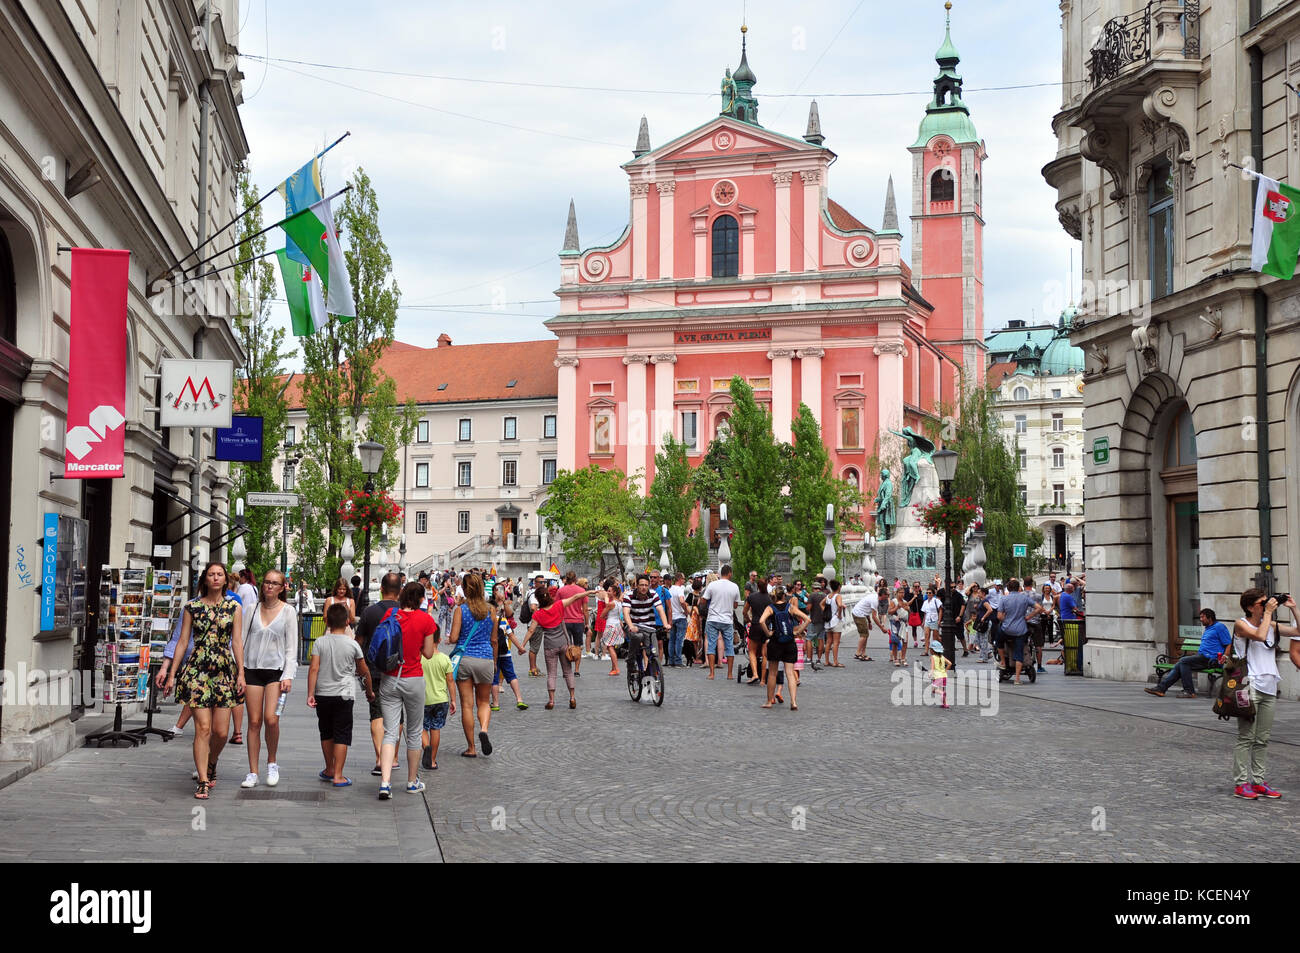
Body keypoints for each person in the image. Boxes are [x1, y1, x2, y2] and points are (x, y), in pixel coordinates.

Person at [165, 562, 245, 800]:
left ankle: (212, 762)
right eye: (212, 574)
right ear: (205, 579)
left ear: (226, 580)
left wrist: (241, 672)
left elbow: (237, 642)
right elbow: (182, 642)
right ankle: (202, 779)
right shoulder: (192, 607)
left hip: (223, 670)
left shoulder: (234, 607)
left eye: (220, 574)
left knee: (221, 732)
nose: (216, 578)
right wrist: (172, 674)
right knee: (203, 728)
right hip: (197, 671)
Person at [1229, 590, 1297, 799]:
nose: (1266, 604)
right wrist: (1268, 613)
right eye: (1261, 603)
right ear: (1250, 607)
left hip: (1269, 686)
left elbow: (1298, 631)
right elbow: (1259, 636)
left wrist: (1293, 608)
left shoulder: (1272, 625)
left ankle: (1258, 781)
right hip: (1248, 687)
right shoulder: (1241, 624)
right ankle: (1241, 783)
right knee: (1246, 737)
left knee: (1263, 738)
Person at [238, 569, 298, 789]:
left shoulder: (288, 611)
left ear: (282, 588)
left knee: (271, 718)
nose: (270, 586)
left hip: (276, 670)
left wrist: (288, 675)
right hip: (252, 668)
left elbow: (292, 646)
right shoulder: (252, 609)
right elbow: (241, 640)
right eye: (267, 583)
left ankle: (272, 762)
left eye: (275, 583)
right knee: (254, 722)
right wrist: (240, 672)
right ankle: (252, 771)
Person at [377, 581, 437, 799]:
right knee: (414, 731)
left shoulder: (390, 615)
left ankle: (385, 783)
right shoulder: (426, 620)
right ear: (421, 599)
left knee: (390, 732)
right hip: (413, 678)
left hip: (390, 678)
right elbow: (429, 654)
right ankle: (411, 781)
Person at [307, 602, 375, 787]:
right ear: (347, 622)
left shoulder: (320, 642)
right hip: (344, 694)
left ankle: (329, 768)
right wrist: (369, 691)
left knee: (326, 731)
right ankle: (338, 775)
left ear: (327, 621)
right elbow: (364, 671)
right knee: (342, 733)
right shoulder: (352, 644)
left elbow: (314, 668)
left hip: (323, 693)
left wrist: (310, 693)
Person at [355, 573, 402, 777]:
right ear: (400, 591)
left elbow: (359, 641)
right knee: (398, 714)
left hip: (373, 667)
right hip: (399, 670)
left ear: (381, 588)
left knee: (376, 713)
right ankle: (393, 758)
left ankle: (379, 758)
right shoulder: (405, 612)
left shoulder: (369, 612)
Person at [450, 572, 499, 757]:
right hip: (485, 658)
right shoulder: (491, 610)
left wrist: (451, 638)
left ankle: (471, 748)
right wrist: (494, 662)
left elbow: (454, 637)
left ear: (464, 588)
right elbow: (494, 640)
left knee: (467, 705)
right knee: (484, 702)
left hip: (465, 659)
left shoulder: (460, 610)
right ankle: (484, 730)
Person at [529, 583, 593, 710]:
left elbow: (530, 631)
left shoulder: (538, 614)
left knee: (551, 674)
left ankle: (551, 701)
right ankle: (572, 697)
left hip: (550, 646)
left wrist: (522, 646)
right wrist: (589, 592)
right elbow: (575, 597)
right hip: (563, 644)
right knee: (568, 672)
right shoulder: (558, 605)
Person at [1144, 607, 1232, 699]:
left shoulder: (1219, 627)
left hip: (1211, 659)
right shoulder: (1208, 628)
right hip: (1202, 657)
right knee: (1181, 664)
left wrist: (1225, 656)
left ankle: (1188, 691)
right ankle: (1161, 689)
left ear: (1210, 618)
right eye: (1200, 617)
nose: (1200, 619)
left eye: (1202, 617)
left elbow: (1229, 644)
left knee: (1183, 661)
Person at [758, 586, 808, 710]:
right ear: (784, 596)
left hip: (775, 642)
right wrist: (797, 632)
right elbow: (807, 619)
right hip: (789, 642)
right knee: (790, 673)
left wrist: (768, 633)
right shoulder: (790, 607)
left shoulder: (770, 608)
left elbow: (761, 621)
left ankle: (769, 701)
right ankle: (793, 702)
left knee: (773, 674)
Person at [420, 621, 456, 772]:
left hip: (423, 699)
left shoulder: (420, 658)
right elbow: (450, 680)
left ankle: (426, 746)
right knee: (436, 728)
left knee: (422, 728)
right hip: (441, 699)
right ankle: (433, 760)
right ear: (439, 640)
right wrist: (453, 699)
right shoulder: (445, 659)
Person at [997, 578, 1042, 685]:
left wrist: (1006, 619)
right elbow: (1039, 608)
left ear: (1008, 588)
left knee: (998, 640)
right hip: (1020, 629)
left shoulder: (1004, 599)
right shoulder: (1024, 598)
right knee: (1019, 652)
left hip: (1007, 629)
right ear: (1018, 588)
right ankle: (1017, 679)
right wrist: (1028, 617)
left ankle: (1003, 661)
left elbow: (999, 616)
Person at [490, 585, 528, 711]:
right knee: (511, 675)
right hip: (505, 651)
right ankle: (519, 699)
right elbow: (511, 635)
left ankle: (495, 704)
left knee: (494, 679)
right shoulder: (503, 620)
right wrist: (520, 647)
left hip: (491, 654)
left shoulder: (486, 621)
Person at [702, 565, 741, 680]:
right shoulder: (734, 587)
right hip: (727, 620)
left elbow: (704, 600)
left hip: (713, 619)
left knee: (711, 645)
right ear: (729, 573)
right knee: (729, 646)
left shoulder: (712, 585)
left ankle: (712, 673)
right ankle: (729, 674)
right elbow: (735, 605)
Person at [557, 571, 588, 677]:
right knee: (577, 646)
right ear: (575, 579)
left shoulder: (561, 591)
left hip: (565, 621)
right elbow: (585, 610)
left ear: (566, 579)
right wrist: (587, 623)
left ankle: (567, 670)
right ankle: (577, 670)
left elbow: (557, 607)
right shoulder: (582, 591)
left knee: (566, 646)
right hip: (578, 621)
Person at [744, 576, 773, 684]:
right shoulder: (770, 598)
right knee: (765, 654)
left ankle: (755, 674)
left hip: (755, 625)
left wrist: (748, 620)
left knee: (752, 651)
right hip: (766, 626)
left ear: (757, 586)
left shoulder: (752, 597)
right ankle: (763, 679)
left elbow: (744, 611)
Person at [850, 586, 887, 662]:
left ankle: (863, 653)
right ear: (882, 595)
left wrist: (869, 622)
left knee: (865, 634)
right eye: (886, 595)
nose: (887, 597)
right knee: (864, 635)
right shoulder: (875, 601)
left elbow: (867, 610)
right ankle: (858, 653)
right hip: (859, 614)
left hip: (860, 613)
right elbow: (874, 616)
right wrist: (881, 628)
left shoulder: (875, 597)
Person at [599, 579, 626, 675]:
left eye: (609, 591)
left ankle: (616, 668)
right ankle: (613, 667)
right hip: (617, 624)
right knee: (612, 646)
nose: (608, 592)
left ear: (614, 592)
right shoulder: (619, 602)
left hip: (610, 625)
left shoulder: (611, 604)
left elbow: (602, 615)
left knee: (610, 646)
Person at [667, 572, 689, 667]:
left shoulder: (670, 589)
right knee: (679, 639)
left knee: (672, 639)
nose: (684, 581)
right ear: (679, 579)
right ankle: (678, 660)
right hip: (680, 616)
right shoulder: (680, 589)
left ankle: (671, 660)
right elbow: (681, 601)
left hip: (672, 616)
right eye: (683, 579)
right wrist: (685, 610)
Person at [824, 580, 847, 667]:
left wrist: (825, 611)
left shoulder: (828, 596)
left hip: (828, 621)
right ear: (839, 587)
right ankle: (835, 661)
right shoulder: (838, 596)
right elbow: (840, 605)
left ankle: (826, 661)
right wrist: (840, 615)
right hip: (836, 621)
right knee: (836, 642)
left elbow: (821, 604)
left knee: (829, 641)